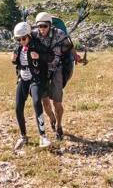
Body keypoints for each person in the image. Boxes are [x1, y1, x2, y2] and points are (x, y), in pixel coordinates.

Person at [32, 12, 79, 141]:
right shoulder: (33, 35)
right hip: (42, 72)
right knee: (45, 101)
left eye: (45, 26)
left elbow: (70, 47)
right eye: (40, 26)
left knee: (57, 101)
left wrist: (76, 57)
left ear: (50, 25)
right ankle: (52, 118)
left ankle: (59, 126)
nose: (42, 29)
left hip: (57, 70)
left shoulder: (60, 34)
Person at [11, 21, 52, 149]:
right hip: (23, 79)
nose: (21, 41)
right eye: (18, 39)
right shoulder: (18, 47)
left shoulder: (37, 45)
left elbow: (50, 57)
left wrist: (39, 56)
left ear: (29, 35)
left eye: (23, 38)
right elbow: (18, 63)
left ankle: (43, 136)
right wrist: (14, 60)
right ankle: (23, 136)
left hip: (35, 79)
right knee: (18, 107)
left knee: (36, 102)